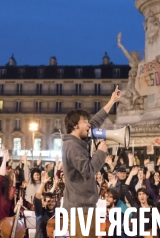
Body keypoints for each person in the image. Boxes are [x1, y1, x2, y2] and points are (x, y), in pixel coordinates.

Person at [61, 86, 121, 238]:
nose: (89, 125)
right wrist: (100, 152)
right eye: (85, 122)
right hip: (79, 210)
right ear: (75, 126)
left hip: (85, 208)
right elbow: (88, 170)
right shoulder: (73, 146)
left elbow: (96, 122)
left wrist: (112, 101)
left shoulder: (79, 140)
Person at [33, 172, 56, 238]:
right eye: (49, 201)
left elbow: (49, 195)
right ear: (44, 202)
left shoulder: (56, 214)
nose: (51, 203)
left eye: (53, 201)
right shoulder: (40, 213)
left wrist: (54, 185)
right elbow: (37, 198)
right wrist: (42, 184)